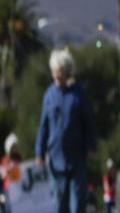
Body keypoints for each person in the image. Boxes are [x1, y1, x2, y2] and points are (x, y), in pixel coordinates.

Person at [35, 49, 96, 213]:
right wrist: (39, 152)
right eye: (54, 71)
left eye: (59, 71)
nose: (56, 75)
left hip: (77, 158)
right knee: (59, 205)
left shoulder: (78, 94)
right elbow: (44, 125)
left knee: (78, 205)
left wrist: (91, 146)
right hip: (55, 159)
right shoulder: (49, 95)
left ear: (67, 72)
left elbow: (88, 121)